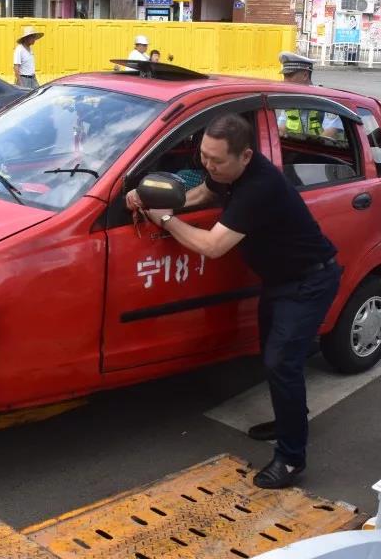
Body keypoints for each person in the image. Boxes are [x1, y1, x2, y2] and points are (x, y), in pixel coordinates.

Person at [126, 114, 339, 489]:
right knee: (275, 359)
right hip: (279, 280)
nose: (208, 165)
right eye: (204, 156)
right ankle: (292, 416)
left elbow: (213, 246)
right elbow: (202, 193)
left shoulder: (260, 186)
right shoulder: (228, 173)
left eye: (217, 160)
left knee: (280, 361)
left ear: (245, 156)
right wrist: (153, 200)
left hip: (309, 281)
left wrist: (165, 221)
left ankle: (291, 459)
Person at [276, 52, 343, 139]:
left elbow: (330, 132)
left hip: (320, 150)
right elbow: (282, 127)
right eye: (285, 76)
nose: (285, 81)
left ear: (305, 75)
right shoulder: (289, 100)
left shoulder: (325, 100)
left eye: (289, 76)